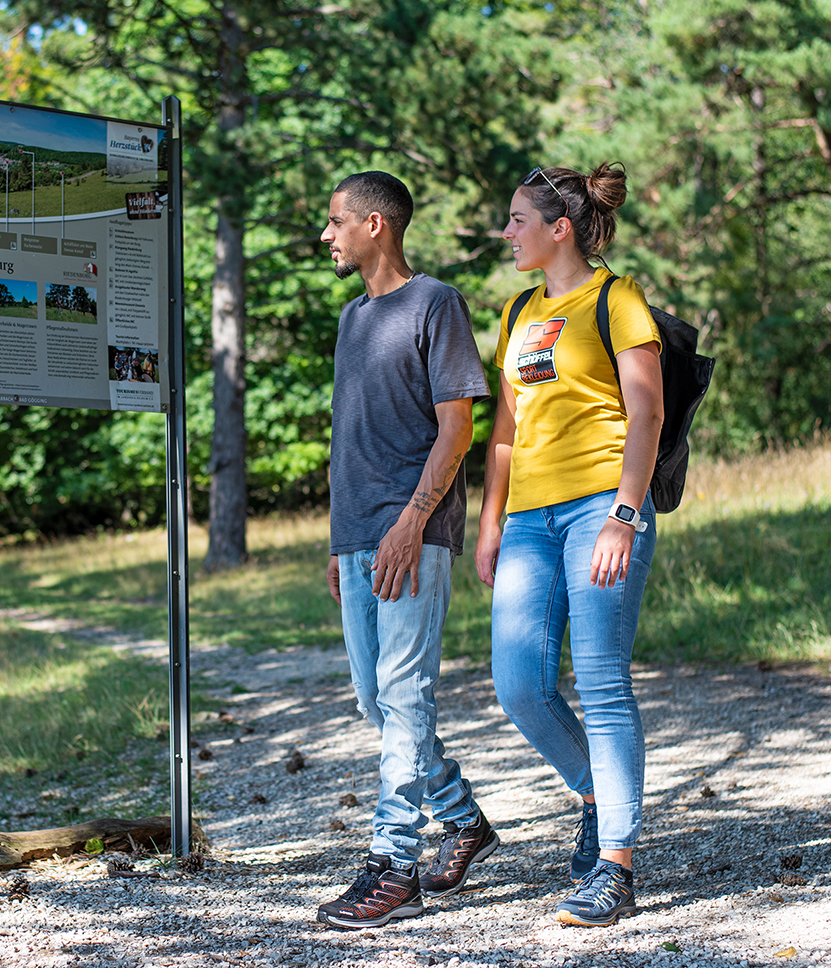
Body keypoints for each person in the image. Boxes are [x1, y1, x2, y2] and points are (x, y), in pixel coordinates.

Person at [477, 163, 663, 927]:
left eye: (518, 219)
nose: (507, 231)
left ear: (560, 230)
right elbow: (507, 432)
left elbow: (645, 413)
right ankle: (595, 791)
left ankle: (614, 864)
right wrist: (491, 520)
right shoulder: (518, 310)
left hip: (601, 508)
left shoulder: (616, 298)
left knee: (602, 681)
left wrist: (625, 512)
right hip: (527, 518)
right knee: (519, 684)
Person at [314, 171, 498, 931]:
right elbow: (346, 439)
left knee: (405, 695)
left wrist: (412, 522)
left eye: (336, 222)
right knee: (375, 701)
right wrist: (338, 537)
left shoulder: (437, 304)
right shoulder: (353, 320)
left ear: (376, 225)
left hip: (411, 535)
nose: (327, 236)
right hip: (358, 533)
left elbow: (459, 425)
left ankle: (392, 863)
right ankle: (462, 820)